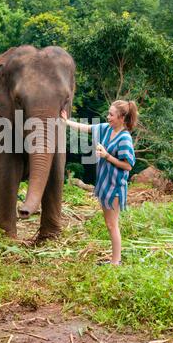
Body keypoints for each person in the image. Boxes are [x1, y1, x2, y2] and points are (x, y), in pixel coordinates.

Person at [61, 100, 138, 265]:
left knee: (112, 225)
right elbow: (88, 128)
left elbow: (128, 165)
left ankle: (115, 263)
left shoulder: (125, 138)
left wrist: (107, 156)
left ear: (122, 118)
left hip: (115, 187)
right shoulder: (107, 129)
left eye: (111, 114)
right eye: (108, 113)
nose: (108, 117)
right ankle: (114, 261)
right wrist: (66, 121)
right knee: (109, 224)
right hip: (104, 184)